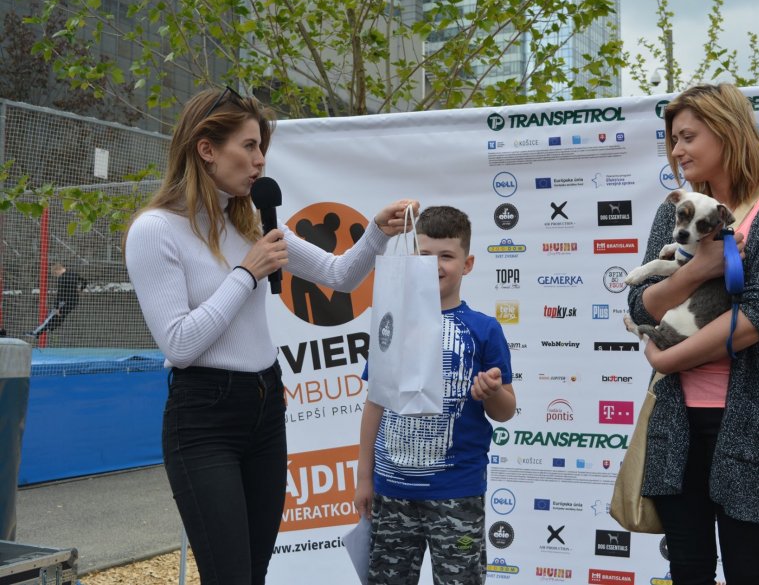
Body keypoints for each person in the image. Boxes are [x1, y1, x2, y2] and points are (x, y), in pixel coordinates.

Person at [123, 86, 418, 585]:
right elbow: (179, 344)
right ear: (206, 149)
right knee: (231, 576)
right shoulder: (155, 230)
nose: (260, 160)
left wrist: (376, 231)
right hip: (205, 418)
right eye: (249, 146)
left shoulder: (251, 225)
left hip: (264, 407)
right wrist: (247, 272)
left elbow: (341, 274)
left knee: (254, 573)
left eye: (262, 147)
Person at [626, 83, 759, 585]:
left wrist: (666, 359)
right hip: (674, 420)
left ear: (728, 132)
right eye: (673, 140)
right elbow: (639, 304)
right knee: (687, 570)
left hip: (748, 418)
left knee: (749, 571)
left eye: (688, 137)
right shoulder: (675, 209)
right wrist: (699, 269)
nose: (677, 151)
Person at [354, 205, 517, 585]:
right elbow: (374, 402)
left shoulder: (484, 330)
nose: (435, 265)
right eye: (425, 255)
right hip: (391, 490)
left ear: (467, 264)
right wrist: (364, 477)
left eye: (447, 256)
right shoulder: (391, 322)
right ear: (412, 260)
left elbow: (506, 410)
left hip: (457, 492)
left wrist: (491, 393)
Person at [29, 262, 87, 338]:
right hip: (74, 301)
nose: (56, 276)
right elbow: (84, 281)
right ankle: (49, 328)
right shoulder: (73, 274)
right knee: (59, 317)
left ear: (57, 270)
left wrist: (56, 307)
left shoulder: (62, 278)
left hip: (65, 302)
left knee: (52, 316)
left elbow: (59, 294)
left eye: (55, 274)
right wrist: (81, 288)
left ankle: (36, 333)